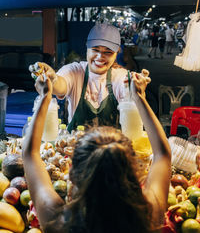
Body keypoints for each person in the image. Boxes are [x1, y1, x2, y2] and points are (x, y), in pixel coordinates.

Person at [22, 70, 171, 233]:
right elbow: (162, 154)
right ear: (135, 172)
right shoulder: (149, 215)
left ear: (72, 174)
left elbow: (30, 155)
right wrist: (139, 97)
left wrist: (45, 96)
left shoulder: (58, 221)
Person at [30, 23, 150, 132]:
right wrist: (52, 80)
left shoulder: (120, 76)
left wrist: (136, 90)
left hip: (113, 151)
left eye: (107, 52)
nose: (100, 57)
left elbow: (129, 94)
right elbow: (60, 86)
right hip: (75, 150)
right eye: (95, 50)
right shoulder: (75, 71)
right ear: (87, 47)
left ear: (117, 52)